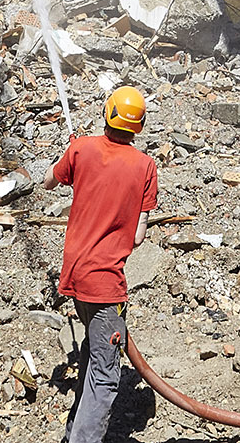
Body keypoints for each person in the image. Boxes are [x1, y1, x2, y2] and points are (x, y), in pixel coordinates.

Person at [44, 87, 159, 443]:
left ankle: (73, 436)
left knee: (94, 359)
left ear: (107, 113)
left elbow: (48, 181)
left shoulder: (82, 148)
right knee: (106, 375)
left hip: (75, 280)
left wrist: (74, 154)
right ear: (139, 125)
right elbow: (138, 238)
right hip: (106, 286)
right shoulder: (145, 167)